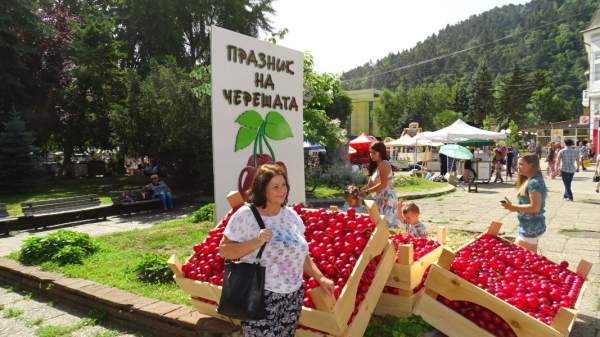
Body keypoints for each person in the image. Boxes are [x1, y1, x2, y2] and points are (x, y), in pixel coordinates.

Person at [220, 164, 334, 337]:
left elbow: (301, 255)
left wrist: (321, 278)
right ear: (262, 190)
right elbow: (225, 251)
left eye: (284, 185)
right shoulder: (246, 215)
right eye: (275, 187)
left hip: (293, 297)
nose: (282, 191)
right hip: (261, 296)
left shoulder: (291, 217)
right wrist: (257, 241)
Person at [500, 154, 547, 252]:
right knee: (531, 258)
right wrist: (512, 206)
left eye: (521, 164)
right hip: (531, 226)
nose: (518, 167)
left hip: (531, 228)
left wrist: (514, 207)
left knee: (513, 257)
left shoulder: (534, 182)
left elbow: (535, 207)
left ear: (531, 165)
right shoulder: (530, 180)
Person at [360, 142, 399, 227]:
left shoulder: (384, 164)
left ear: (380, 152)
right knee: (378, 225)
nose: (371, 155)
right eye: (370, 152)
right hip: (379, 198)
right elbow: (370, 186)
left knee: (385, 225)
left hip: (386, 198)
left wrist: (366, 192)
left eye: (374, 152)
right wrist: (359, 192)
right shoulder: (376, 167)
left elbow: (383, 185)